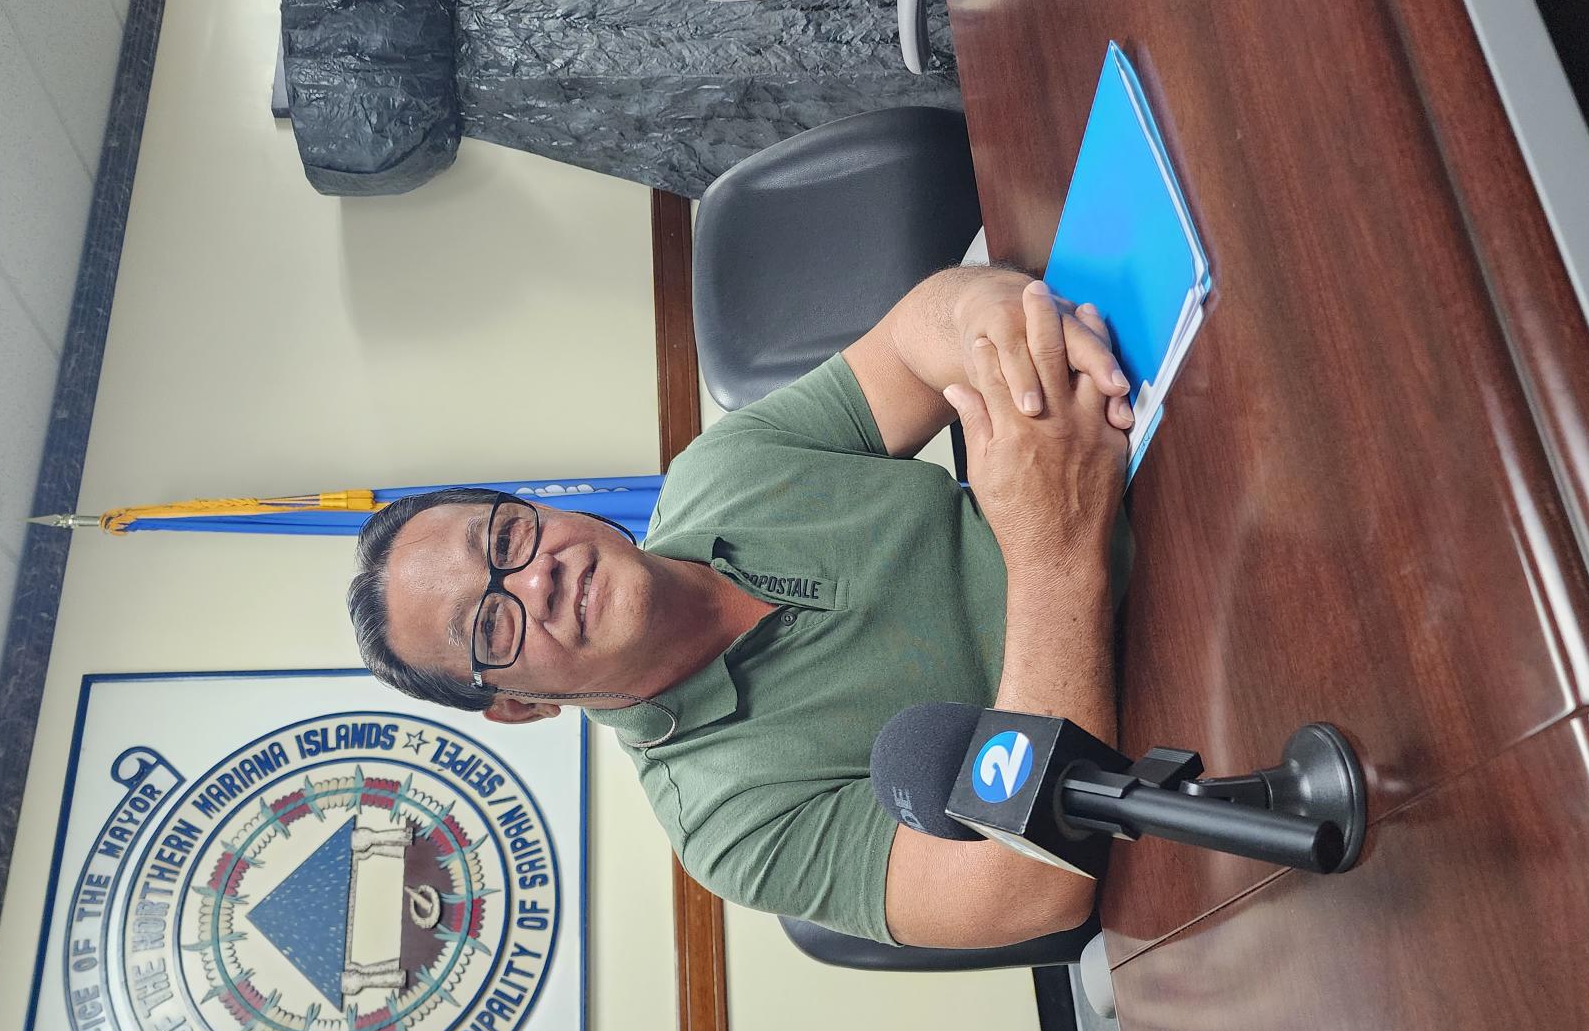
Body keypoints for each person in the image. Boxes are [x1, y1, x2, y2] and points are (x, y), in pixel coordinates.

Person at [348, 266, 1134, 948]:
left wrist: (984, 323)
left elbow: (911, 340)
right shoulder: (725, 825)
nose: (533, 579)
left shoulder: (720, 470)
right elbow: (1030, 889)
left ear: (551, 509)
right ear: (518, 706)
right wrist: (1054, 552)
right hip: (1182, 745)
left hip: (1157, 484)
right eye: (492, 623)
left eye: (508, 534)